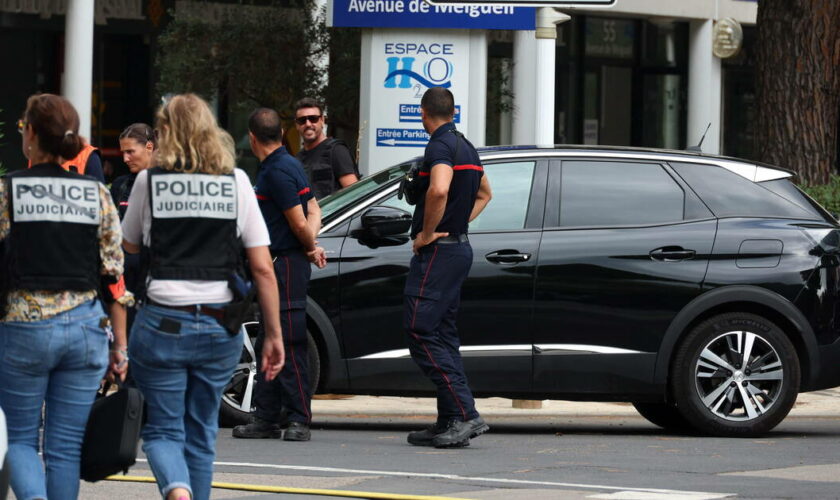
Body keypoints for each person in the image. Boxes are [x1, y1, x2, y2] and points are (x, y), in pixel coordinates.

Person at [121, 94, 285, 500]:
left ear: (165, 136)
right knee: (201, 431)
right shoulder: (237, 182)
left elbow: (129, 247)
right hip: (219, 324)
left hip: (161, 320)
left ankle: (177, 490)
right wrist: (274, 335)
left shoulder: (149, 181)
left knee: (161, 430)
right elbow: (263, 267)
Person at [0, 93, 129, 500]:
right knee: (65, 447)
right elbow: (114, 276)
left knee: (21, 439)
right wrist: (120, 347)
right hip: (86, 329)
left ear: (32, 134)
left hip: (24, 326)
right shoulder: (96, 194)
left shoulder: (8, 191)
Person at [403, 87, 492, 448]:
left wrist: (427, 234)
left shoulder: (439, 145)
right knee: (443, 333)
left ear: (423, 113)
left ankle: (465, 413)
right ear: (452, 112)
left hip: (439, 254)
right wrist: (457, 224)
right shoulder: (465, 145)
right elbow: (485, 193)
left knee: (419, 329)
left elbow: (438, 190)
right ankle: (449, 419)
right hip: (459, 249)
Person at [232, 107, 326, 442]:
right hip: (285, 261)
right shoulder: (289, 164)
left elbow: (300, 220)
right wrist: (311, 246)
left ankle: (299, 418)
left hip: (284, 264)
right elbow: (314, 209)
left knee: (288, 341)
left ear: (253, 137)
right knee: (266, 343)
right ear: (283, 133)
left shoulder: (277, 171)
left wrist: (307, 244)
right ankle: (267, 417)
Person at [294, 97, 359, 199]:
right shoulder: (297, 160)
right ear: (297, 125)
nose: (308, 124)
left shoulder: (336, 151)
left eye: (313, 119)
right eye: (302, 120)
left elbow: (354, 195)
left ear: (322, 120)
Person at [112, 123, 156, 219]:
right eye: (123, 152)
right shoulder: (119, 185)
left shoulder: (166, 182)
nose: (125, 159)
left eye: (130, 152)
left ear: (149, 147)